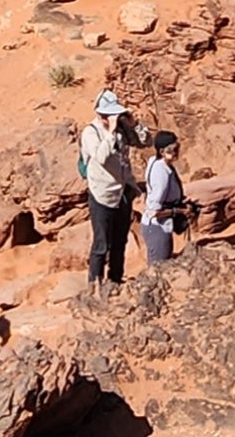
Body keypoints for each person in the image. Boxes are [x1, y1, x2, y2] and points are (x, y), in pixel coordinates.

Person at [80, 90, 140, 290]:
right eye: (108, 116)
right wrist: (110, 132)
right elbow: (101, 157)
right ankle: (94, 284)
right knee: (101, 243)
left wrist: (133, 125)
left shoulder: (122, 129)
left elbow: (144, 142)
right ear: (100, 115)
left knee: (120, 240)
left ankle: (115, 280)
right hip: (102, 194)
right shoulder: (90, 132)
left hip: (122, 192)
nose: (111, 119)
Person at [139, 129, 190, 267]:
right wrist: (179, 211)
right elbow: (154, 211)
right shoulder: (161, 175)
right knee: (159, 269)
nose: (177, 152)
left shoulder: (156, 162)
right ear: (162, 151)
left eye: (177, 148)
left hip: (161, 227)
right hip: (157, 229)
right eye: (173, 149)